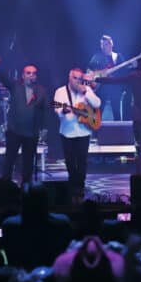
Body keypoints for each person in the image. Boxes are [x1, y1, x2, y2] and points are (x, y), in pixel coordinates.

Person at [92, 53, 141, 175]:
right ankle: (138, 173)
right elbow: (116, 81)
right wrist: (97, 79)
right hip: (139, 117)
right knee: (138, 147)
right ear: (140, 65)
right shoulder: (135, 76)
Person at [0, 57, 48, 187]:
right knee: (10, 159)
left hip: (32, 131)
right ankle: (5, 184)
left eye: (33, 73)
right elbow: (4, 79)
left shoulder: (41, 90)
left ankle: (26, 185)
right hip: (15, 130)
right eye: (28, 73)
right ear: (23, 75)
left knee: (28, 161)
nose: (31, 75)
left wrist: (44, 128)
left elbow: (45, 110)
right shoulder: (15, 86)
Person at [53, 68, 101, 202]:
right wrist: (63, 111)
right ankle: (73, 184)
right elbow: (57, 109)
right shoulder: (61, 91)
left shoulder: (86, 89)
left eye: (80, 78)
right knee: (70, 161)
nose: (77, 81)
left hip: (83, 131)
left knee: (82, 161)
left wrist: (86, 92)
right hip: (67, 131)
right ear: (69, 77)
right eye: (75, 78)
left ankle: (80, 186)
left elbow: (97, 103)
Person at [88, 35, 129, 121]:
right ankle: (95, 128)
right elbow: (89, 71)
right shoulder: (97, 57)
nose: (103, 47)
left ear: (111, 44)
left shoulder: (118, 56)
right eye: (102, 45)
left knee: (117, 113)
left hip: (115, 88)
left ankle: (119, 129)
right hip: (101, 88)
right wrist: (97, 76)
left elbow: (125, 71)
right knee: (97, 112)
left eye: (106, 44)